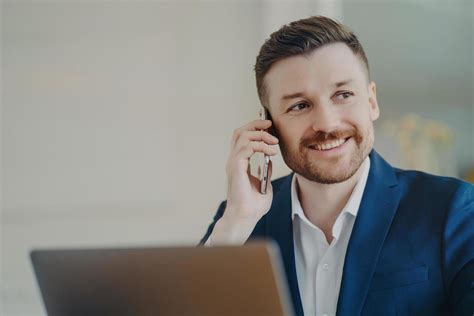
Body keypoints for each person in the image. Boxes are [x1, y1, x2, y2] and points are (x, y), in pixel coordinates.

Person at [200, 16, 473, 316]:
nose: (327, 124)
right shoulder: (237, 225)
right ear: (268, 126)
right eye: (299, 106)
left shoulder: (454, 210)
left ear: (371, 102)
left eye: (343, 95)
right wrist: (237, 222)